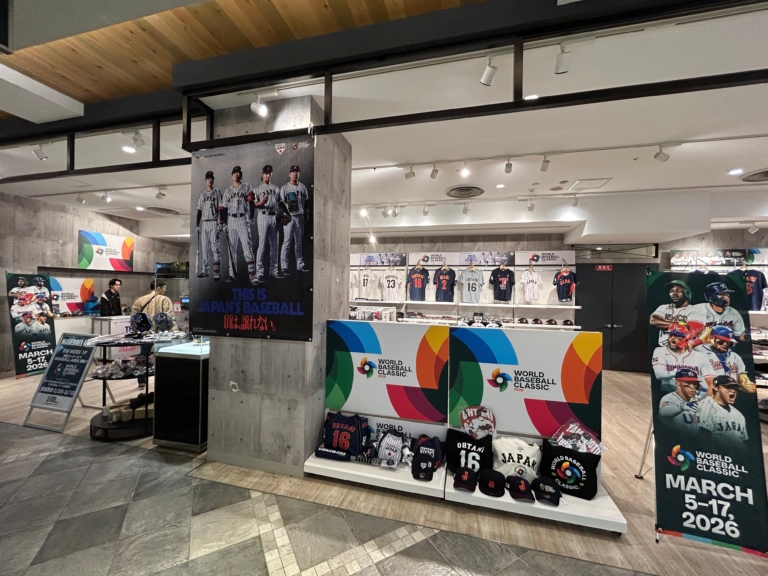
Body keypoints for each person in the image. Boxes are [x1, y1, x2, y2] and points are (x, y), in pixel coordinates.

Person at [220, 165, 257, 284]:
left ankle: (252, 275)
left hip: (242, 218)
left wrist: (251, 216)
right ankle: (232, 274)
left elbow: (251, 203)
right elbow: (223, 208)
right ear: (232, 176)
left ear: (240, 175)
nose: (236, 174)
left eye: (238, 173)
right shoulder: (228, 191)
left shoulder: (246, 187)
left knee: (247, 247)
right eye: (234, 173)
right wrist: (223, 223)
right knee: (231, 249)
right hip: (231, 220)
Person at [652, 324, 714, 394]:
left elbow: (710, 382)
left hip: (695, 395)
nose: (672, 338)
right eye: (671, 335)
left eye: (677, 335)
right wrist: (681, 373)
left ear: (685, 339)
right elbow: (659, 375)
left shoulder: (699, 356)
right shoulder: (660, 351)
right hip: (669, 393)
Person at [695, 375, 749, 447]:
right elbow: (702, 439)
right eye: (728, 387)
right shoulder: (705, 407)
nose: (733, 390)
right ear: (716, 387)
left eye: (735, 388)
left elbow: (744, 441)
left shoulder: (738, 414)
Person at [649, 280, 705, 344]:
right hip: (664, 347)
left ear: (687, 293)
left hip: (685, 347)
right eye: (671, 291)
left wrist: (666, 325)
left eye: (678, 290)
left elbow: (692, 330)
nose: (673, 293)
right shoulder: (663, 307)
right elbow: (653, 321)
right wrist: (678, 325)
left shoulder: (695, 310)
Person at [254, 165, 283, 284]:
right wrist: (261, 203)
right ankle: (259, 272)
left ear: (271, 175)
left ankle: (274, 271)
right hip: (263, 215)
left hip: (274, 217)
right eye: (266, 173)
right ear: (262, 175)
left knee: (275, 245)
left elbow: (281, 202)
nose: (267, 175)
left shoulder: (276, 188)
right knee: (262, 245)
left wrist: (288, 213)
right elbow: (253, 205)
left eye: (269, 173)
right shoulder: (257, 189)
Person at [658, 369, 703, 440]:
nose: (692, 388)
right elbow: (663, 412)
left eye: (694, 384)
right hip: (674, 440)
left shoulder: (697, 399)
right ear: (678, 383)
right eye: (688, 383)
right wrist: (681, 407)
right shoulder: (668, 398)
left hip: (695, 441)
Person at [196, 170, 222, 280]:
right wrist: (197, 224)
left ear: (213, 180)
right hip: (204, 223)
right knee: (204, 248)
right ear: (205, 180)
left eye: (211, 179)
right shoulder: (202, 195)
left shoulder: (217, 192)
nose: (210, 180)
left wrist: (221, 222)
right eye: (208, 179)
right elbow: (199, 210)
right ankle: (205, 271)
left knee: (215, 247)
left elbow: (221, 208)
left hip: (214, 222)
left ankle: (216, 272)